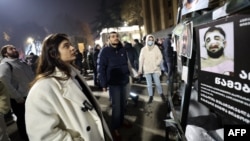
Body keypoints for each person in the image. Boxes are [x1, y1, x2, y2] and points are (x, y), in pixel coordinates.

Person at [25, 33, 112, 141]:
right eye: (66, 46)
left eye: (70, 44)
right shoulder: (42, 88)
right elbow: (42, 135)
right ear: (53, 54)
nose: (72, 48)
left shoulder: (74, 73)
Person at [97, 31, 132, 141]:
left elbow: (127, 64)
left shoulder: (122, 49)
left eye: (117, 36)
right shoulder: (105, 51)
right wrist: (103, 83)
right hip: (114, 83)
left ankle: (121, 121)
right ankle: (115, 127)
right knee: (117, 106)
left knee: (123, 103)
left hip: (124, 81)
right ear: (109, 40)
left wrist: (130, 75)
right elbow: (101, 68)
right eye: (113, 37)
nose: (115, 38)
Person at [0, 44, 35, 141]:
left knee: (33, 119)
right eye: (11, 49)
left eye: (15, 48)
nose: (15, 49)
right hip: (20, 100)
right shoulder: (5, 65)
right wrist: (17, 97)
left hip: (30, 95)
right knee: (23, 122)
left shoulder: (22, 63)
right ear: (5, 54)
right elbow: (4, 83)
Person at [138, 34, 166, 104]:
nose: (150, 41)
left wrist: (157, 63)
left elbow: (160, 56)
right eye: (149, 40)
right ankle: (150, 96)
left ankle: (161, 94)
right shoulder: (143, 49)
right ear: (147, 40)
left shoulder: (156, 47)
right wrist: (140, 70)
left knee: (158, 83)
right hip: (147, 69)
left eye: (152, 40)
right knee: (149, 84)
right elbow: (141, 60)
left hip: (155, 69)